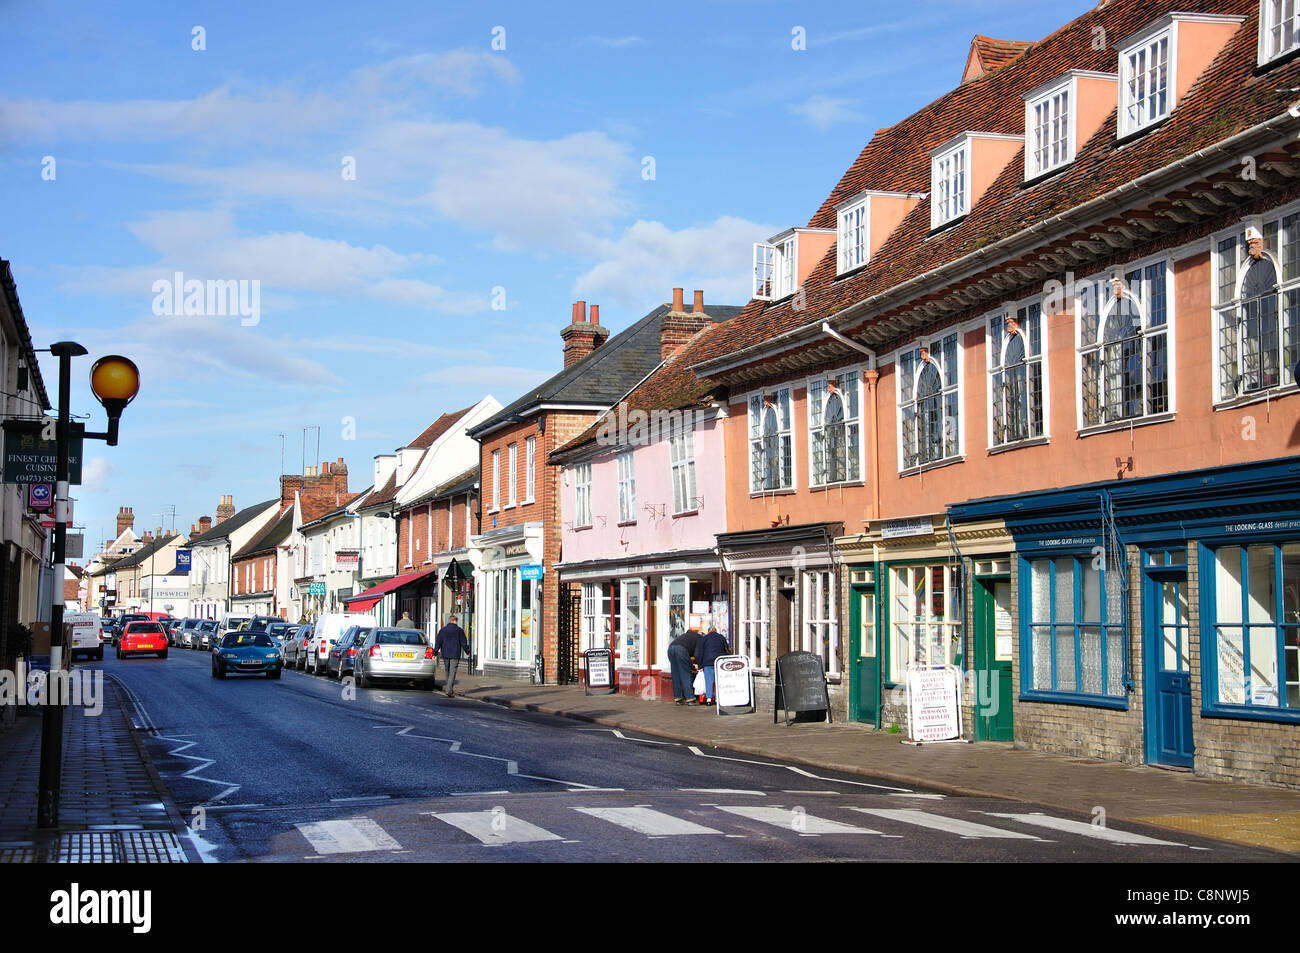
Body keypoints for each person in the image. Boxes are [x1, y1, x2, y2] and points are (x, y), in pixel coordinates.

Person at [433, 614, 470, 697]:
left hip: (445, 653)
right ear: (455, 621)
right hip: (455, 653)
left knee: (447, 671)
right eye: (456, 621)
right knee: (452, 672)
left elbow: (438, 642)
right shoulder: (459, 630)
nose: (457, 623)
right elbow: (463, 642)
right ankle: (449, 690)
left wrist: (435, 653)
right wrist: (467, 651)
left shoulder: (443, 630)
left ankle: (449, 688)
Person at [667, 626, 702, 706]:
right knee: (685, 674)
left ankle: (678, 698)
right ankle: (690, 699)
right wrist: (697, 664)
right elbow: (697, 654)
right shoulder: (699, 638)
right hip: (681, 650)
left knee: (676, 674)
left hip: (670, 649)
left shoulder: (685, 636)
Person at [696, 626, 729, 705]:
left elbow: (700, 653)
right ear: (716, 631)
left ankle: (709, 699)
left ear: (708, 631)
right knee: (719, 681)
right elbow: (726, 649)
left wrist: (700, 666)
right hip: (719, 662)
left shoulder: (704, 638)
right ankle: (718, 699)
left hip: (708, 663)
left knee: (709, 681)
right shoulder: (721, 637)